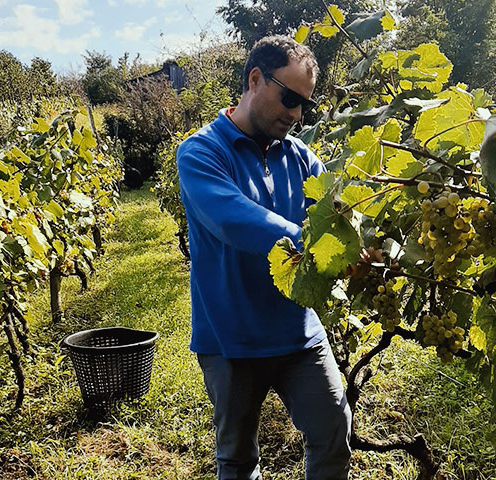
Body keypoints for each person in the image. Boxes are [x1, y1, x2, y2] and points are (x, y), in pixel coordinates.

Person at [176, 35, 351, 480]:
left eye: (303, 104)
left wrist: (357, 242)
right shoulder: (201, 153)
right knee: (237, 460)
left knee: (333, 431)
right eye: (289, 98)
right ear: (255, 79)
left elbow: (335, 217)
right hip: (231, 339)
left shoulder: (303, 158)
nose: (296, 114)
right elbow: (234, 219)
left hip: (299, 333)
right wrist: (309, 242)